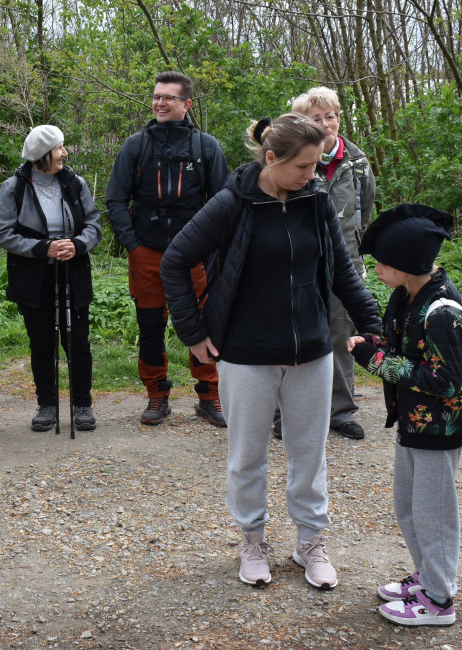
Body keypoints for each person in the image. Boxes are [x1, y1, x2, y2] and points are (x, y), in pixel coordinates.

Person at [161, 113, 381, 589]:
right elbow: (175, 261)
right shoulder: (231, 204)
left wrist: (374, 325)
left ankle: (310, 543)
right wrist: (193, 332)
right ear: (271, 158)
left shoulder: (317, 203)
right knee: (247, 455)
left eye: (318, 165)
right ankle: (253, 540)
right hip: (246, 353)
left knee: (309, 454)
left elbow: (343, 272)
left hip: (313, 352)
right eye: (304, 166)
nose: (313, 175)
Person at [349, 204, 462, 626]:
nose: (378, 270)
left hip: (438, 430)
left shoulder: (443, 313)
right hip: (412, 424)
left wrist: (375, 361)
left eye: (383, 263)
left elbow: (444, 381)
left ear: (406, 264)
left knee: (434, 516)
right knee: (409, 507)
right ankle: (427, 577)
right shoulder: (407, 297)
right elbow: (402, 347)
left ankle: (439, 601)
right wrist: (373, 342)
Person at [105, 71, 230, 428]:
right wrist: (132, 244)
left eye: (168, 98)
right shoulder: (136, 145)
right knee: (150, 326)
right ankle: (157, 395)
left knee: (204, 326)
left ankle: (210, 396)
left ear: (186, 104)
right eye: (156, 96)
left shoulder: (206, 147)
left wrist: (211, 250)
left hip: (195, 256)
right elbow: (115, 198)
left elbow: (224, 201)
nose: (159, 102)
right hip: (147, 251)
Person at [271, 87, 376, 441]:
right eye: (316, 118)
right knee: (290, 338)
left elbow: (364, 211)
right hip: (297, 267)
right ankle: (283, 414)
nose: (326, 123)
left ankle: (340, 411)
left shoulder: (358, 162)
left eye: (330, 116)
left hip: (343, 266)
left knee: (340, 338)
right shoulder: (290, 161)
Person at [0, 125, 102, 432]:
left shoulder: (74, 183)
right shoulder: (14, 187)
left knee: (78, 343)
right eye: (59, 148)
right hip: (34, 277)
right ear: (42, 155)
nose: (64, 153)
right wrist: (44, 248)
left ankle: (82, 405)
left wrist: (78, 244)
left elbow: (93, 223)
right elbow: (2, 233)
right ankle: (47, 406)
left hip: (73, 273)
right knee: (42, 344)